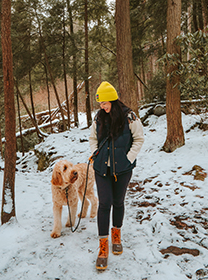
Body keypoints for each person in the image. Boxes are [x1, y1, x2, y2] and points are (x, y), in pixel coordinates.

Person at [89, 81, 144, 270]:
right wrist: (96, 153)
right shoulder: (99, 118)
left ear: (112, 99)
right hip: (102, 169)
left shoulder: (130, 116)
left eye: (104, 103)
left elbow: (139, 138)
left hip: (122, 169)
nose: (102, 107)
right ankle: (103, 246)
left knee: (118, 202)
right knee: (104, 203)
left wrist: (128, 159)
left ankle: (116, 235)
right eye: (100, 104)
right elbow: (92, 138)